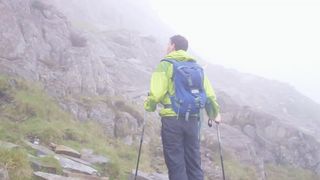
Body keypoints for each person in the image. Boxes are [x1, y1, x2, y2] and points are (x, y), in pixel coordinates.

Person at [144, 35, 220, 180]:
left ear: (172, 46)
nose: (166, 47)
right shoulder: (197, 68)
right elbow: (209, 96)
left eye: (168, 44)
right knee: (194, 163)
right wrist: (214, 113)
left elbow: (156, 94)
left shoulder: (165, 64)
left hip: (172, 120)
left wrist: (149, 106)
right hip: (193, 120)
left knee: (176, 163)